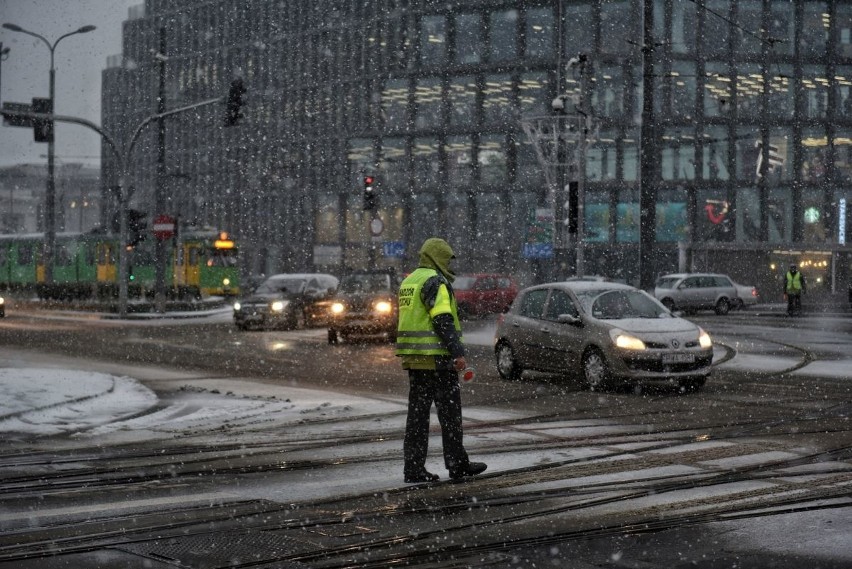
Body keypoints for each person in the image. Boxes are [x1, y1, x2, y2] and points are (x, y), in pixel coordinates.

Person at [395, 237, 487, 483]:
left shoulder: (409, 281)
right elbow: (442, 319)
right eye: (447, 258)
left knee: (417, 417)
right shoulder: (436, 282)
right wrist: (457, 352)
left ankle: (413, 469)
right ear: (436, 258)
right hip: (437, 359)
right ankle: (457, 464)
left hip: (415, 359)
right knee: (450, 415)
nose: (450, 264)